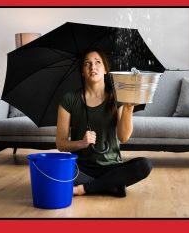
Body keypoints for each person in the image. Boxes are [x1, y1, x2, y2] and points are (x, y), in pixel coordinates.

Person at [56, 49, 152, 197]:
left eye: (97, 62)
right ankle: (109, 185)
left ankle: (85, 188)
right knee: (56, 169)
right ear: (82, 71)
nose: (92, 67)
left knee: (144, 165)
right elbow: (60, 144)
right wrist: (81, 143)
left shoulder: (117, 96)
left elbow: (123, 137)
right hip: (80, 167)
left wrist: (129, 107)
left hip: (111, 166)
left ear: (105, 69)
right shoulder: (69, 99)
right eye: (87, 63)